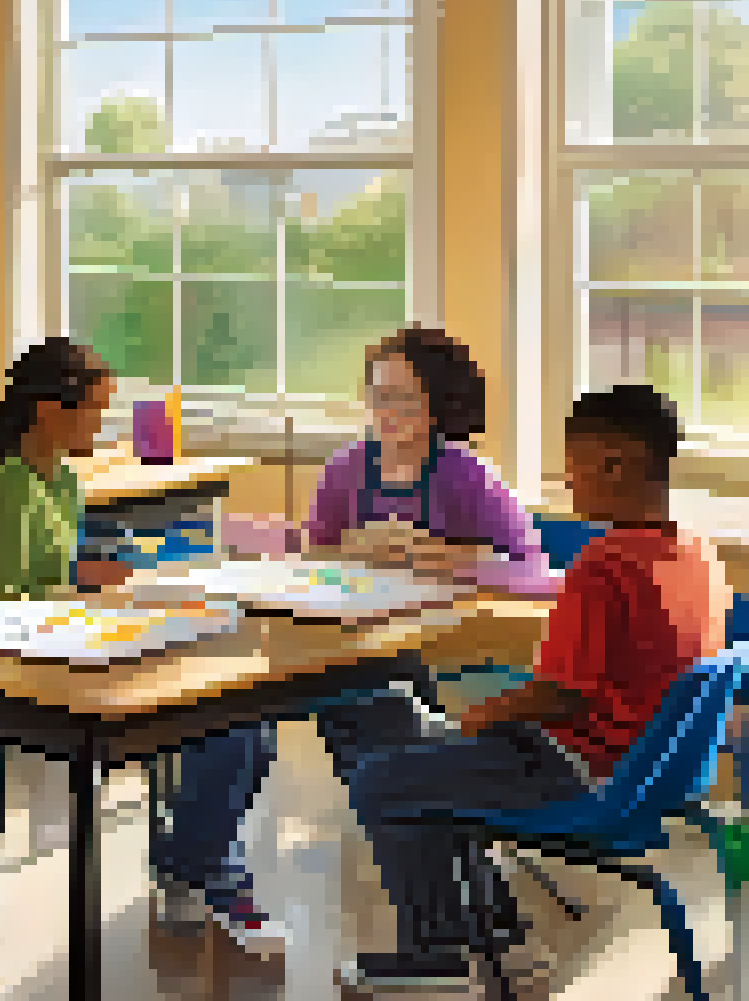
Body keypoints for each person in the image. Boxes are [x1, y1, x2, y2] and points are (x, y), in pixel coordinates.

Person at [156, 326, 543, 954]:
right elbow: (311, 557)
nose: (387, 413)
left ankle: (450, 907)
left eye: (405, 400)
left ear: (441, 405)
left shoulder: (468, 476)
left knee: (382, 736)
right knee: (230, 727)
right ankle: (194, 870)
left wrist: (442, 553)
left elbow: (530, 570)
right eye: (378, 397)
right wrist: (334, 550)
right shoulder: (346, 468)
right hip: (318, 638)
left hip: (402, 655)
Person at [337, 384, 725, 988]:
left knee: (380, 779)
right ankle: (500, 936)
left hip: (581, 769)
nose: (567, 482)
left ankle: (439, 953)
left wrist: (481, 715)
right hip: (650, 768)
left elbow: (560, 695)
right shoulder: (698, 553)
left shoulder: (603, 567)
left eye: (573, 466)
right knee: (411, 731)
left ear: (615, 462)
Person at [0, 336, 129, 615]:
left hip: (26, 629)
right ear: (47, 411)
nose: (100, 424)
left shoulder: (66, 481)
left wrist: (89, 581)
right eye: (94, 411)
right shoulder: (12, 484)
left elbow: (43, 577)